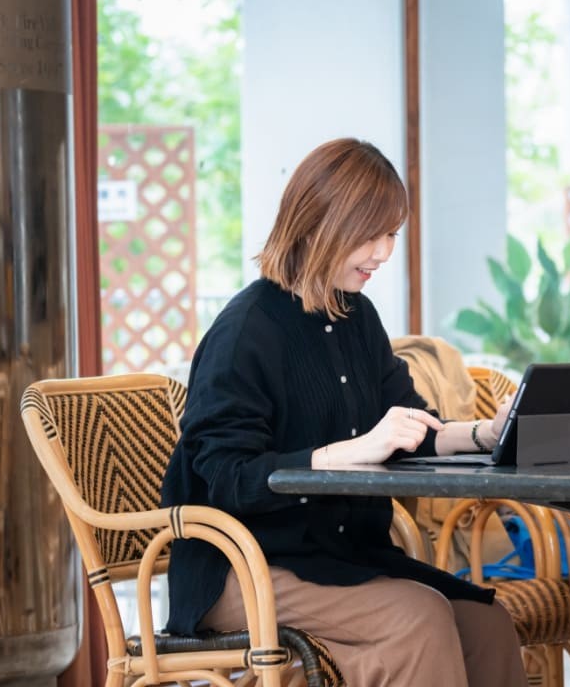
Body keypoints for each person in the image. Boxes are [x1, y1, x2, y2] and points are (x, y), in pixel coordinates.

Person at [160, 138, 526, 686]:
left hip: (338, 556)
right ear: (317, 223)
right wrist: (351, 451)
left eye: (392, 235)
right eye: (371, 235)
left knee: (487, 621)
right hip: (242, 570)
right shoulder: (245, 332)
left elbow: (409, 424)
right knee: (418, 616)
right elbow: (228, 481)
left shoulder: (357, 315)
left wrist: (483, 434)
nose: (383, 253)